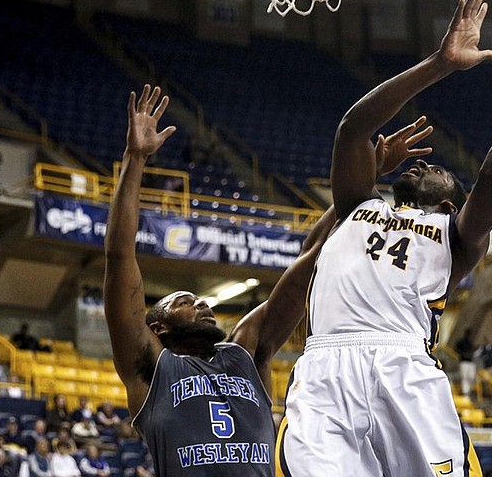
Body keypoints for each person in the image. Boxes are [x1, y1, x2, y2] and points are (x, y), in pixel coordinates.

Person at [279, 0, 492, 476]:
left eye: (435, 170)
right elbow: (352, 129)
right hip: (325, 368)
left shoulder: (456, 235)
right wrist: (440, 64)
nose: (419, 167)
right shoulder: (355, 205)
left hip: (405, 369)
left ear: (450, 200)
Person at [103, 84, 435, 476]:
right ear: (157, 325)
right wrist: (136, 157)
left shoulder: (245, 351)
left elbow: (309, 263)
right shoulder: (151, 366)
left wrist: (359, 188)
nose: (204, 304)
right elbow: (120, 255)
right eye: (186, 300)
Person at [455, 328, 477, 396]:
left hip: (470, 361)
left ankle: (469, 389)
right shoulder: (460, 342)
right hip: (463, 361)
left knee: (471, 377)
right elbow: (456, 349)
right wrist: (463, 354)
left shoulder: (470, 343)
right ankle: (465, 391)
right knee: (464, 377)